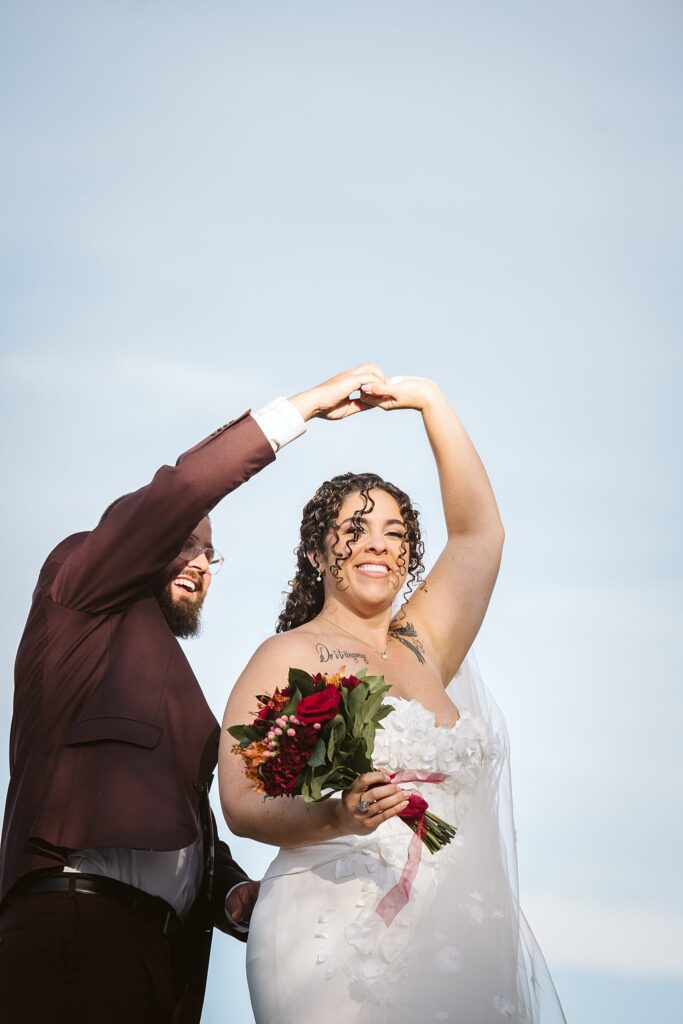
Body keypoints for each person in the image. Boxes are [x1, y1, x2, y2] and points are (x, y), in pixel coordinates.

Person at [0, 363, 388, 1024]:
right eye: (183, 544)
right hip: (71, 930)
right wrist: (307, 408)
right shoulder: (81, 591)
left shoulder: (174, 691)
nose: (200, 561)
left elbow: (177, 830)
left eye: (211, 554)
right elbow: (182, 488)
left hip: (158, 963)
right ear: (137, 546)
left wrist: (232, 891)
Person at [219, 376, 566, 1023]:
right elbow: (242, 802)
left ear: (409, 552)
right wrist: (337, 816)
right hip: (329, 921)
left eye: (394, 530)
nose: (378, 542)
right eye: (355, 528)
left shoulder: (424, 646)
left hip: (458, 928)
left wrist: (429, 400)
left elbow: (479, 537)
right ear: (318, 549)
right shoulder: (288, 656)